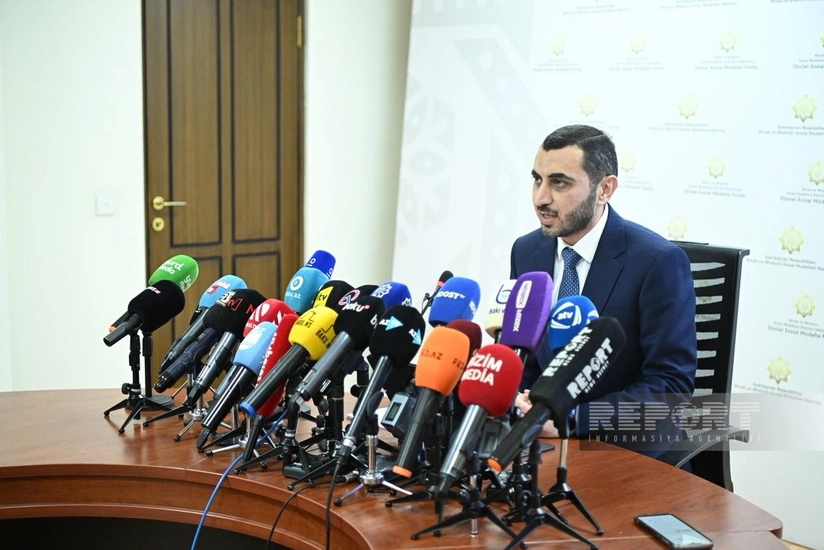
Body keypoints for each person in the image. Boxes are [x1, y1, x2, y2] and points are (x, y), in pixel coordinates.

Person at [510, 124, 697, 459]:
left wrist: (571, 420)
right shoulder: (526, 251)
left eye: (559, 183)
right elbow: (525, 356)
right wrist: (519, 402)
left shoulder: (658, 262)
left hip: (626, 452)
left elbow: (670, 387)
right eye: (538, 180)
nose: (541, 198)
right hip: (543, 446)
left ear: (605, 189)